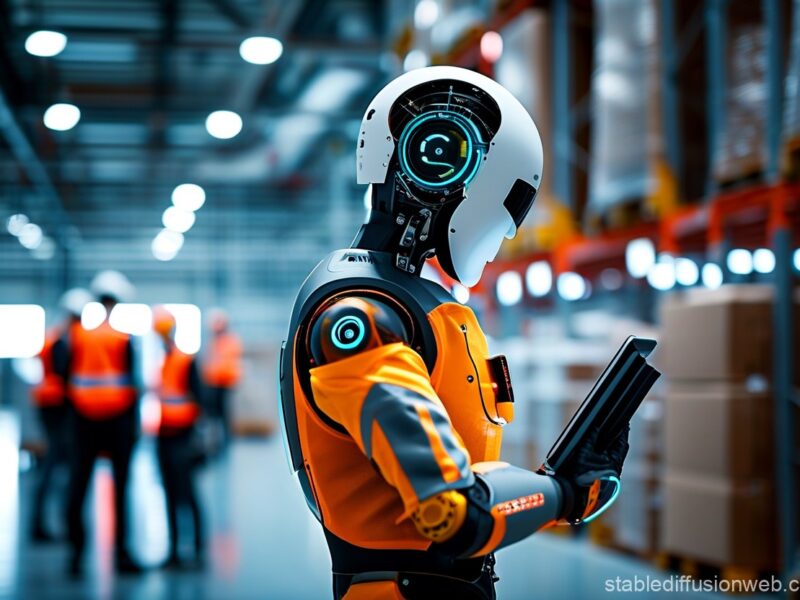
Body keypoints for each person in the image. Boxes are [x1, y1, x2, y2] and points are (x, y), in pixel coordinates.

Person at [279, 66, 631, 599]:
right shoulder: (363, 319)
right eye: (509, 207)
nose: (506, 228)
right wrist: (561, 494)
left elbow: (465, 480)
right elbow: (453, 512)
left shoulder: (405, 301)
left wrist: (556, 485)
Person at [64, 270, 142, 575]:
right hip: (118, 420)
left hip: (83, 421)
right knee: (120, 488)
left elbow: (66, 376)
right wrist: (134, 426)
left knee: (78, 485)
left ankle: (75, 555)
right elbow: (132, 384)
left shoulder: (78, 336)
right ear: (119, 301)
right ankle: (121, 554)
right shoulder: (123, 338)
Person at [29, 288, 91, 542]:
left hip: (51, 406)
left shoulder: (55, 337)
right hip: (58, 410)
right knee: (55, 464)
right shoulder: (61, 342)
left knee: (54, 465)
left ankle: (47, 521)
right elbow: (67, 377)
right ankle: (45, 523)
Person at [152, 306, 205, 569]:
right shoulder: (163, 361)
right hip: (164, 434)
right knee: (171, 493)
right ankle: (174, 550)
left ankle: (196, 550)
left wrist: (199, 437)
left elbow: (200, 401)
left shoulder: (185, 360)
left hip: (183, 437)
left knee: (187, 493)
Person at [202, 308, 242, 449]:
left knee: (224, 413)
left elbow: (226, 362)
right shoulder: (214, 342)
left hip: (225, 382)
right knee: (214, 414)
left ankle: (225, 440)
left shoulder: (230, 341)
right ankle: (216, 440)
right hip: (213, 382)